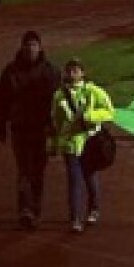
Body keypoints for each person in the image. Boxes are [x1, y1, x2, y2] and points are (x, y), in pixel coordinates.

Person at [0, 29, 61, 229]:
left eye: (34, 45)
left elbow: (59, 102)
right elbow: (1, 100)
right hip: (20, 128)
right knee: (24, 170)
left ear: (39, 47)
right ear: (22, 47)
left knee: (38, 171)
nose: (30, 49)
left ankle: (35, 208)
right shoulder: (10, 71)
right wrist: (0, 126)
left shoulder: (51, 72)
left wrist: (57, 129)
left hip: (42, 129)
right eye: (27, 45)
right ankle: (25, 210)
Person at [49, 58, 115, 233]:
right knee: (74, 181)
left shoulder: (93, 91)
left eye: (76, 71)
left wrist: (90, 116)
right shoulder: (59, 95)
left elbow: (109, 112)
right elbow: (55, 121)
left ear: (82, 73)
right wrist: (54, 143)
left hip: (90, 142)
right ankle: (75, 218)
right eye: (69, 71)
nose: (72, 74)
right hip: (71, 144)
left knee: (90, 177)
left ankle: (94, 209)